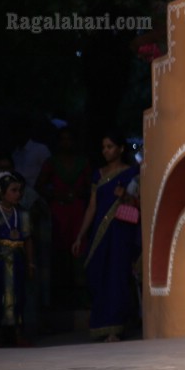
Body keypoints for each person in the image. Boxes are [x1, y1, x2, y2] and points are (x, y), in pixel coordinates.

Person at [72, 134, 141, 342]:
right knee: (98, 275)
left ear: (120, 148)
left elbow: (138, 203)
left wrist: (124, 196)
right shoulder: (98, 175)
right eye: (103, 147)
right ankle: (100, 325)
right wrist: (80, 236)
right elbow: (92, 207)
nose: (106, 151)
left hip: (120, 231)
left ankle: (115, 328)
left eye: (110, 146)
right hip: (100, 233)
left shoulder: (132, 172)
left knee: (117, 276)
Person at [36, 127, 92, 298]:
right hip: (58, 211)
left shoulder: (83, 163)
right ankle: (59, 293)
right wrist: (55, 194)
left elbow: (91, 187)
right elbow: (39, 186)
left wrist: (79, 193)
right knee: (59, 249)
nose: (66, 142)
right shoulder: (51, 162)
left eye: (69, 139)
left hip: (78, 210)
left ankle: (80, 291)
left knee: (79, 247)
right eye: (63, 139)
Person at [0, 171, 34, 347]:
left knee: (18, 297)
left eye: (19, 190)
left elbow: (27, 240)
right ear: (2, 192)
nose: (18, 194)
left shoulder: (23, 214)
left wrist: (30, 263)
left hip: (17, 261)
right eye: (13, 190)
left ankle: (17, 334)